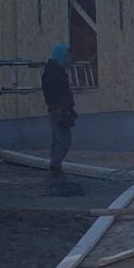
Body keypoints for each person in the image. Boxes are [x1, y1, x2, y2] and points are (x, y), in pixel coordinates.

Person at [42, 41, 80, 193]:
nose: (69, 59)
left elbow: (64, 93)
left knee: (58, 140)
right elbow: (52, 94)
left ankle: (55, 169)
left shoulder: (58, 71)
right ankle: (55, 169)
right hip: (58, 111)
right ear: (61, 56)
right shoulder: (52, 73)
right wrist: (60, 109)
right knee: (63, 141)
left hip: (62, 110)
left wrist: (70, 109)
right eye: (67, 56)